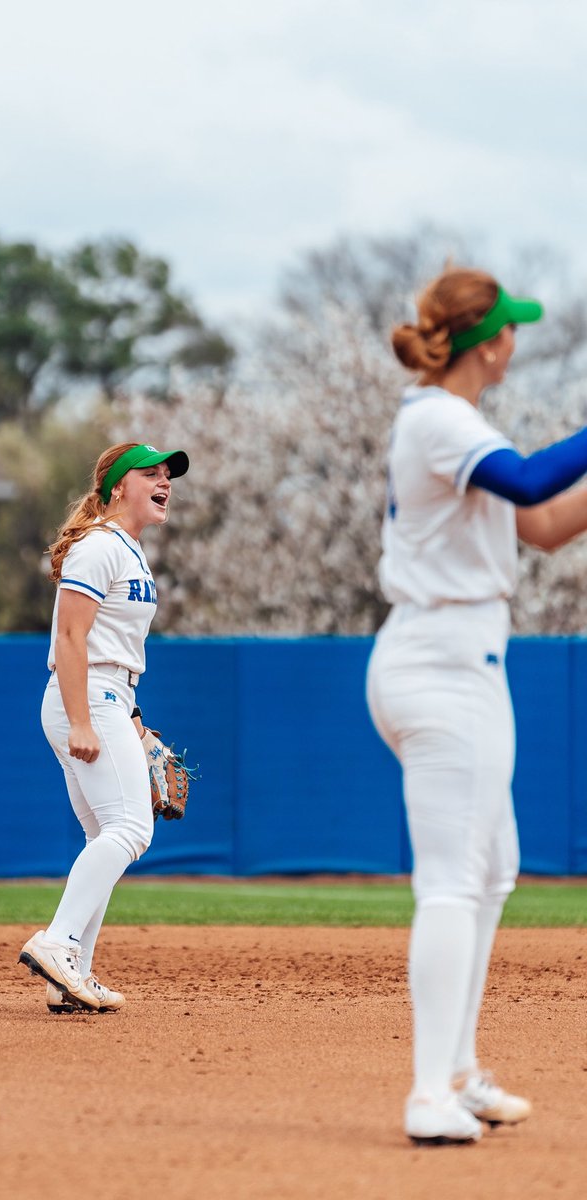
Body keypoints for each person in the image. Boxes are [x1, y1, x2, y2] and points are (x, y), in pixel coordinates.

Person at [366, 267, 587, 1146]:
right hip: (440, 663)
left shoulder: (460, 424)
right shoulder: (436, 418)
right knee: (455, 879)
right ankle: (429, 1094)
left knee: (493, 869)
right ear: (488, 341)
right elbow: (531, 484)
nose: (516, 339)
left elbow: (544, 525)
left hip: (462, 660)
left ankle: (458, 1072)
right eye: (510, 328)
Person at [19, 441, 189, 1013]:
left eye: (168, 475)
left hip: (110, 695)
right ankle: (57, 943)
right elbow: (70, 638)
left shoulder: (127, 550)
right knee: (131, 829)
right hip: (86, 696)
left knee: (106, 837)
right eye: (151, 473)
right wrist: (83, 722)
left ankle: (71, 974)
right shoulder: (98, 546)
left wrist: (134, 723)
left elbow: (111, 645)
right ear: (118, 486)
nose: (164, 482)